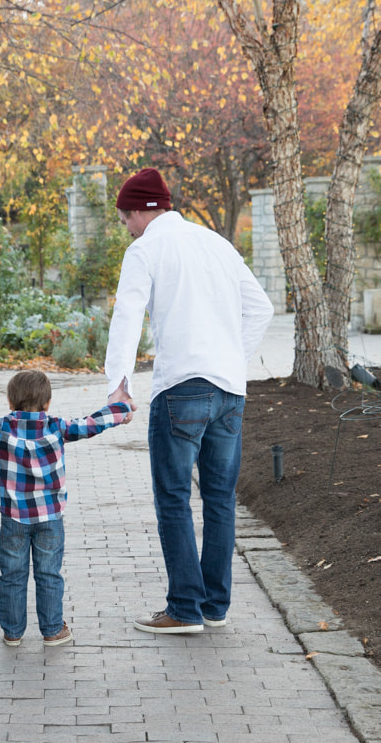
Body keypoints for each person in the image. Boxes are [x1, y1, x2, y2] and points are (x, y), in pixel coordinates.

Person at [104, 168, 274, 635]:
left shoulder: (145, 250)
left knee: (174, 498)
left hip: (181, 386)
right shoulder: (217, 243)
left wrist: (119, 383)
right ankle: (214, 606)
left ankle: (183, 608)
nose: (128, 228)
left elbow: (127, 314)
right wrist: (231, 358)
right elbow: (261, 307)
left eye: (126, 219)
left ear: (140, 210)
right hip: (230, 390)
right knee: (220, 499)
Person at [0, 369, 132, 647]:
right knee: (49, 574)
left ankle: (12, 632)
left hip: (13, 518)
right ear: (47, 403)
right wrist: (121, 409)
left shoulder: (0, 429)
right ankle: (52, 630)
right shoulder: (58, 426)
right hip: (50, 517)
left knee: (12, 575)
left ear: (10, 403)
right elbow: (90, 424)